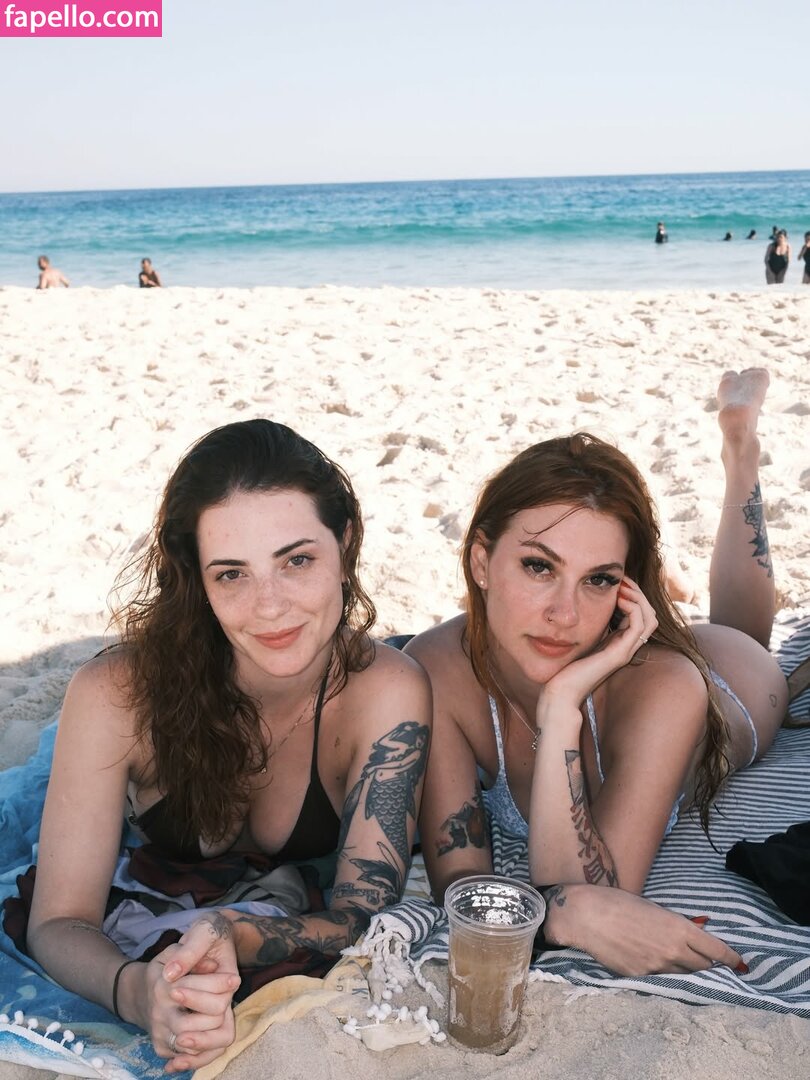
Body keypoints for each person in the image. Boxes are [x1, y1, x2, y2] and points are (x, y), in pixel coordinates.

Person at [26, 420, 431, 1074]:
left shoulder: (385, 690)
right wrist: (135, 991)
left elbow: (362, 915)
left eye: (297, 561)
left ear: (346, 542)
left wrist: (237, 934)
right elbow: (58, 920)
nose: (269, 607)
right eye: (232, 574)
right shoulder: (116, 694)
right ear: (197, 577)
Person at [409, 368, 788, 977]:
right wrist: (562, 914)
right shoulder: (436, 668)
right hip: (635, 658)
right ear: (481, 560)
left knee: (745, 634)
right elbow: (463, 889)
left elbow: (603, 893)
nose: (564, 615)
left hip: (733, 681)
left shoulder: (666, 686)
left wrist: (560, 706)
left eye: (599, 579)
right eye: (538, 567)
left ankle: (741, 452)